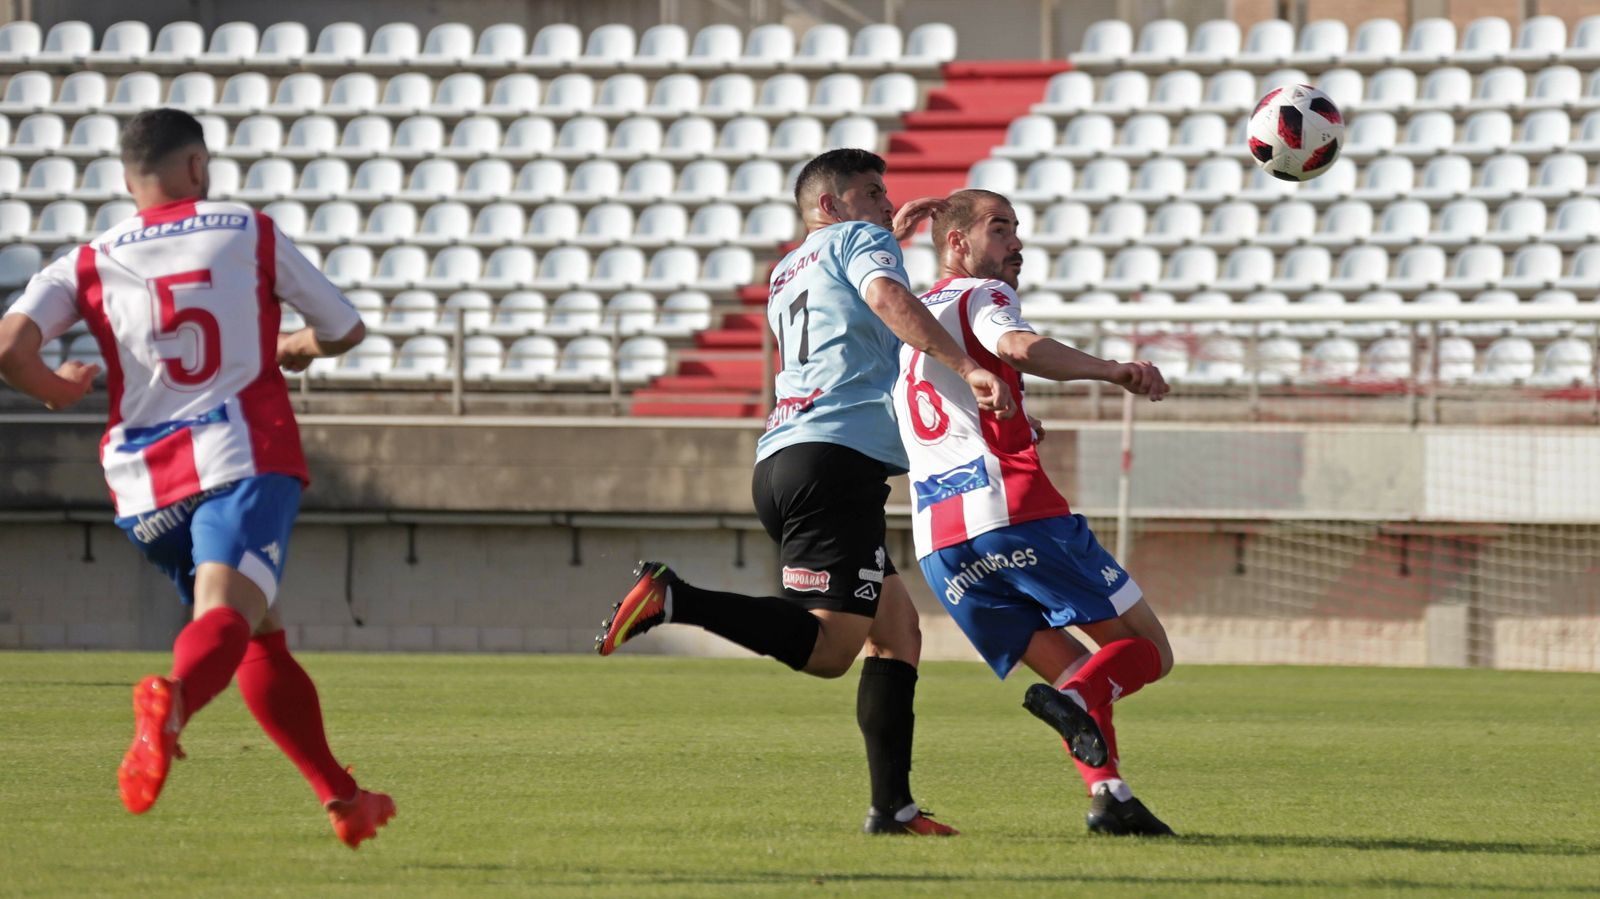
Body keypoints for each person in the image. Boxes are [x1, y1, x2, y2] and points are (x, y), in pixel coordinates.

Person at [0, 108, 395, 849]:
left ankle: (343, 798)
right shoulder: (245, 229)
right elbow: (346, 328)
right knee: (227, 615)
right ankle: (170, 702)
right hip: (242, 456)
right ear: (197, 168)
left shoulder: (88, 259)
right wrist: (299, 345)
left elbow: (9, 345)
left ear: (128, 181)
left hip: (144, 487)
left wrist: (57, 388)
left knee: (257, 636)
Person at [596, 149, 1016, 835]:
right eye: (873, 193)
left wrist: (889, 232)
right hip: (835, 462)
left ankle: (893, 808)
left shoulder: (788, 266)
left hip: (787, 458)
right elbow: (884, 297)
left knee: (897, 632)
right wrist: (966, 364)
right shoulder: (861, 239)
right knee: (829, 652)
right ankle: (675, 596)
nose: (886, 204)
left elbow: (845, 313)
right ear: (830, 204)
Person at [891, 187, 1179, 836]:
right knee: (1146, 650)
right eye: (1000, 229)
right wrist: (1113, 371)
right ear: (957, 245)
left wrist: (1020, 415)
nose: (1016, 242)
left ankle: (1110, 797)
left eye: (1017, 228)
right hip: (1012, 513)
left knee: (1079, 675)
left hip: (940, 546)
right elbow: (1017, 346)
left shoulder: (912, 325)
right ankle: (1079, 717)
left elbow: (941, 407)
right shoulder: (980, 296)